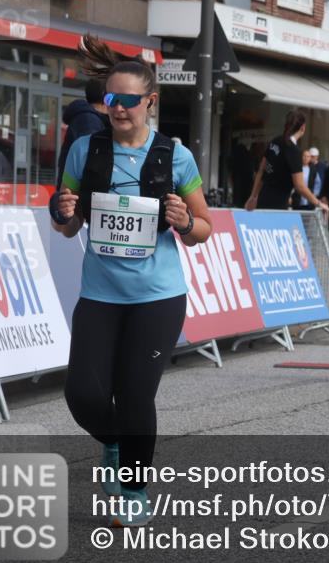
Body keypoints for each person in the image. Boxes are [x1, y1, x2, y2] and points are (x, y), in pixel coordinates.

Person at [51, 35, 213, 527]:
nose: (116, 109)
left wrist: (185, 222)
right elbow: (67, 223)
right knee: (83, 394)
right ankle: (116, 443)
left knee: (136, 395)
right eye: (109, 100)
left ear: (150, 102)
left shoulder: (174, 156)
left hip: (157, 298)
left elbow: (203, 230)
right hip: (99, 295)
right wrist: (62, 212)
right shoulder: (85, 149)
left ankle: (135, 491)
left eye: (127, 101)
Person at [245, 110, 328, 214]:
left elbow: (261, 171)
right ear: (303, 127)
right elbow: (300, 186)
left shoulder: (275, 141)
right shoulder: (294, 151)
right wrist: (319, 203)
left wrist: (253, 196)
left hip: (262, 199)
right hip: (278, 206)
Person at [57, 78, 109, 189]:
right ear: (106, 98)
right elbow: (91, 164)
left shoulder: (89, 118)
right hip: (76, 195)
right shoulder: (89, 121)